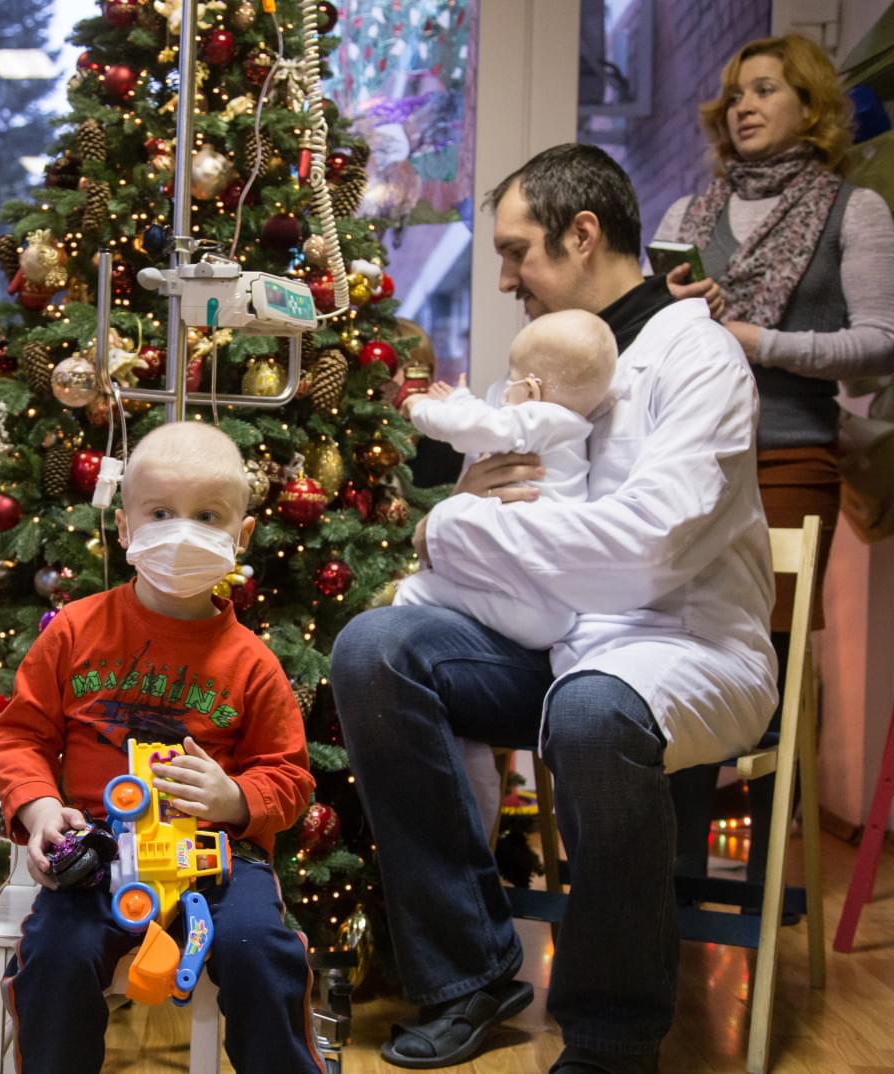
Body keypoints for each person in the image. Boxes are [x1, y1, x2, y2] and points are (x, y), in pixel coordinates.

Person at [331, 143, 775, 1074]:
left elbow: (650, 553)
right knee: (377, 649)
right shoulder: (538, 365)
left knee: (591, 708)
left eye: (516, 251)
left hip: (687, 646)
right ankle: (469, 975)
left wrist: (456, 533)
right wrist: (456, 528)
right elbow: (468, 511)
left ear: (582, 235)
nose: (502, 280)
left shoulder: (700, 358)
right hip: (552, 638)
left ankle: (613, 1035)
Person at [0, 421, 320, 1074]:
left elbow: (289, 776)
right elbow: (21, 735)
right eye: (162, 513)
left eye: (207, 516)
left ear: (241, 537)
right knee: (56, 958)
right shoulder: (76, 631)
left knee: (260, 950)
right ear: (124, 527)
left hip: (217, 856)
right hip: (99, 849)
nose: (182, 532)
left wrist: (236, 798)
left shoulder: (252, 663)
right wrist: (39, 811)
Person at [656, 33, 894, 884]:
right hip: (692, 458)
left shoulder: (854, 211)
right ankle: (679, 876)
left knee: (775, 654)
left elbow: (880, 345)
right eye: (735, 95)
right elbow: (641, 331)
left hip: (793, 457)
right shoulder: (687, 217)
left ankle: (759, 879)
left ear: (813, 106)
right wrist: (678, 316)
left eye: (766, 89)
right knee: (679, 648)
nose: (744, 106)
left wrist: (757, 339)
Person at [396, 309, 618, 836]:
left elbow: (483, 426)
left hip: (530, 605)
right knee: (422, 596)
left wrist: (421, 406)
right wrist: (469, 400)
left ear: (533, 389)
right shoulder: (569, 427)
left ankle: (467, 794)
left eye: (511, 385)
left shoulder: (542, 420)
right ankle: (472, 775)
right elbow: (493, 420)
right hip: (541, 604)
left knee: (411, 593)